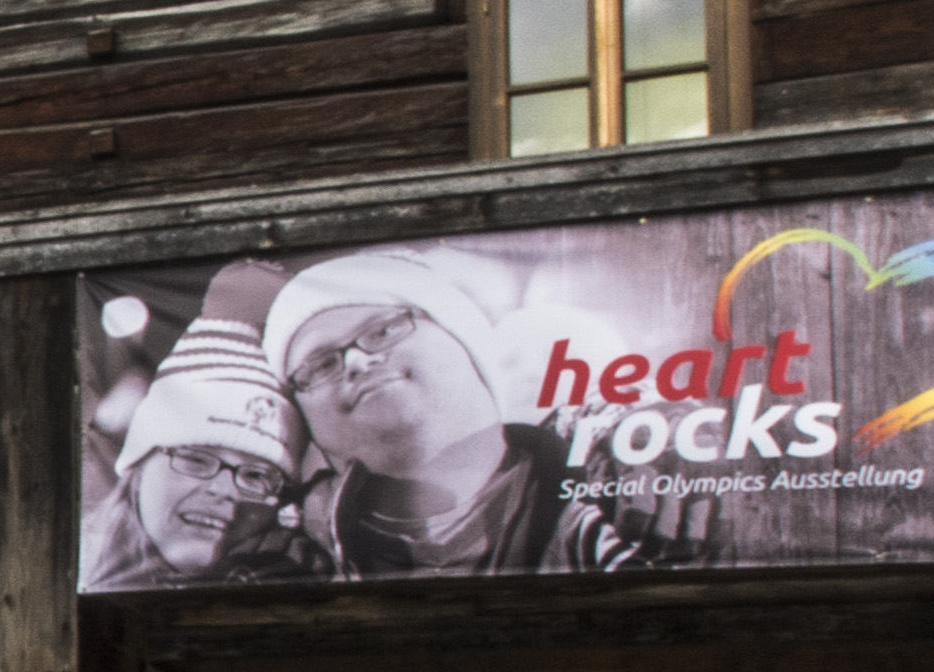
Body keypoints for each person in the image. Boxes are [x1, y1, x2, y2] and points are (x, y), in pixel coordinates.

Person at [261, 244, 668, 581]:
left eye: (382, 331)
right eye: (320, 365)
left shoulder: (632, 503)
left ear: (462, 337)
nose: (355, 362)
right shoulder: (293, 558)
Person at [83, 268, 330, 590]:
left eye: (256, 476)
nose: (227, 491)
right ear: (138, 468)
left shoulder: (307, 580)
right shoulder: (59, 567)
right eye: (196, 459)